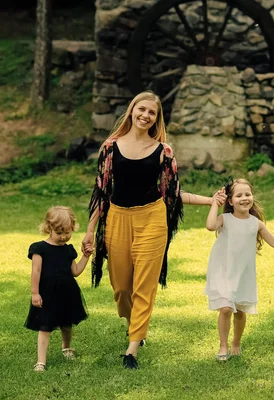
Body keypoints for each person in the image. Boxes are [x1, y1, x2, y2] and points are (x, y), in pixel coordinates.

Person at [81, 91, 225, 369]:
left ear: (157, 120)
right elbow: (101, 190)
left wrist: (211, 200)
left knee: (144, 286)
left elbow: (172, 192)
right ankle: (133, 323)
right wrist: (90, 230)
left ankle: (132, 348)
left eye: (152, 113)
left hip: (152, 220)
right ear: (132, 110)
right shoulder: (110, 147)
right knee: (122, 288)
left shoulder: (163, 151)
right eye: (142, 109)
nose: (145, 116)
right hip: (117, 218)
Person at [205, 178, 274, 361]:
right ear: (230, 201)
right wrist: (215, 204)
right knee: (225, 308)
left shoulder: (256, 223)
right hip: (223, 270)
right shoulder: (225, 219)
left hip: (243, 273)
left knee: (239, 310)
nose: (244, 198)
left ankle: (236, 343)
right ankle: (223, 345)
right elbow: (210, 226)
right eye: (239, 195)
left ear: (252, 197)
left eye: (247, 194)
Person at [25, 206, 90, 372]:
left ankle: (66, 348)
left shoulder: (68, 250)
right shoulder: (39, 249)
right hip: (47, 294)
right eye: (59, 233)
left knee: (66, 325)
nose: (64, 237)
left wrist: (86, 256)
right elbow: (36, 271)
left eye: (67, 233)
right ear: (49, 228)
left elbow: (75, 272)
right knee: (45, 327)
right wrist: (35, 293)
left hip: (67, 293)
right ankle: (41, 362)